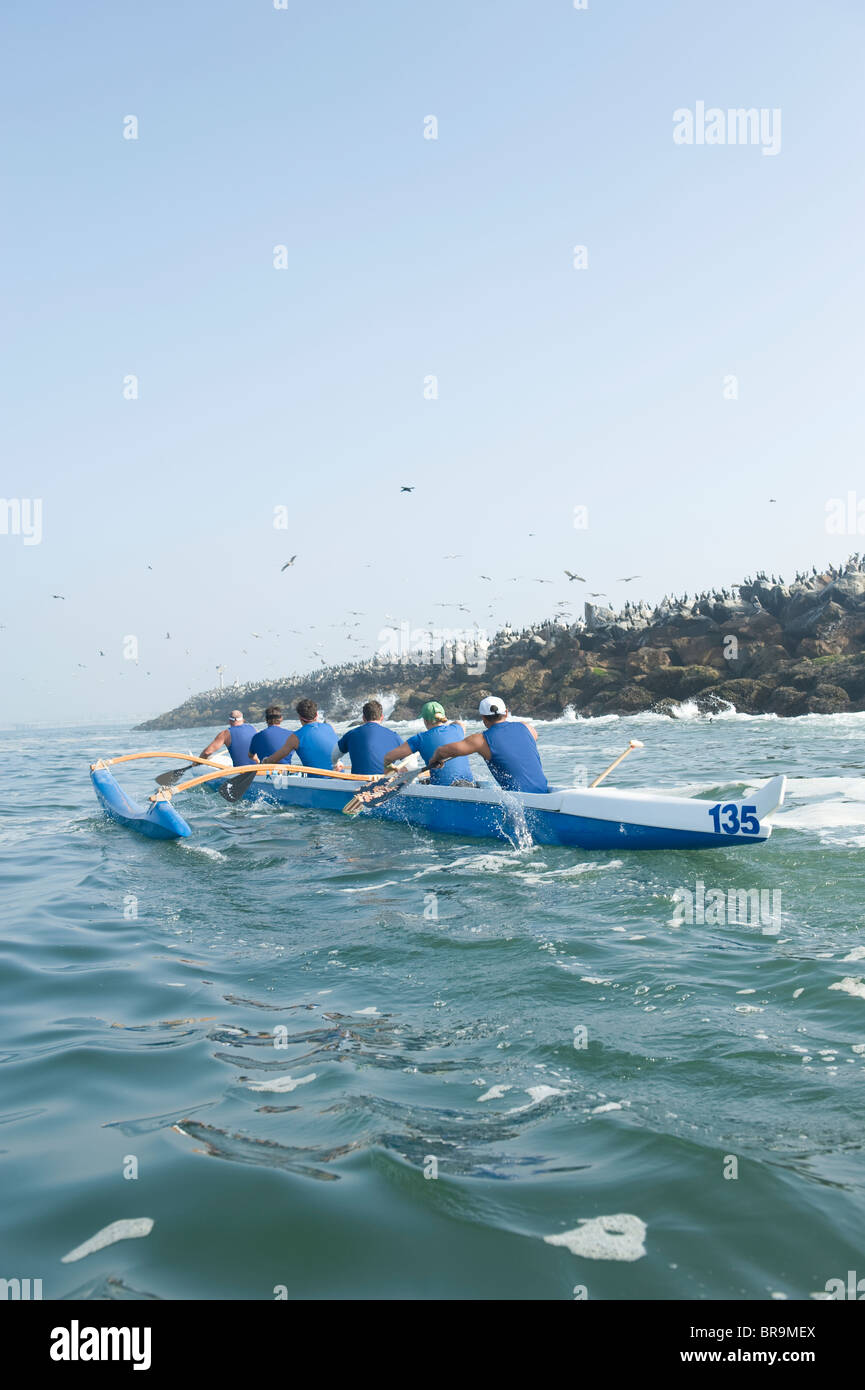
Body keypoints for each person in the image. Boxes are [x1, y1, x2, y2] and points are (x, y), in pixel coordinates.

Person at [428, 695, 549, 793]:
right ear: (506, 713)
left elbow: (442, 751)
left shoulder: (480, 740)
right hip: (543, 791)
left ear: (484, 719)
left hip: (520, 800)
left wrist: (435, 760)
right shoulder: (527, 727)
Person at [383, 701, 473, 786]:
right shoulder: (457, 729)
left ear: (425, 721)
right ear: (443, 717)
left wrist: (389, 767)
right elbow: (459, 723)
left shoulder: (420, 739)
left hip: (442, 790)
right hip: (469, 785)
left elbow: (389, 757)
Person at [261, 699, 343, 771]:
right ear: (317, 715)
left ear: (300, 717)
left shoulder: (295, 737)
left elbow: (274, 759)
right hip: (340, 776)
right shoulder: (330, 727)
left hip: (318, 782)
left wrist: (265, 761)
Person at [334, 699, 402, 776]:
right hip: (385, 784)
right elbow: (411, 764)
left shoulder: (351, 734)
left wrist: (337, 764)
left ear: (363, 718)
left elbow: (333, 756)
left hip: (357, 784)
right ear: (382, 717)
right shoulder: (394, 736)